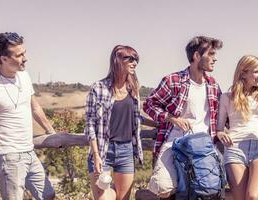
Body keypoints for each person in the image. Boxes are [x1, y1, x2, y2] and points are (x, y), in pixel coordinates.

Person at [0, 32, 56, 200]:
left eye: (24, 52)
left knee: (49, 195)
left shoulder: (24, 76)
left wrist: (53, 133)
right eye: (19, 55)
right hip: (8, 157)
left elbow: (35, 108)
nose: (25, 58)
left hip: (29, 152)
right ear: (3, 58)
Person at [143, 36, 223, 197]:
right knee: (162, 187)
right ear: (197, 56)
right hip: (174, 143)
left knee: (208, 189)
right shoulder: (173, 80)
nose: (215, 58)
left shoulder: (213, 85)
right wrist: (171, 118)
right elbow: (149, 104)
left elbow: (224, 116)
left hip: (204, 147)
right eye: (211, 54)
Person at [85, 45, 147, 200]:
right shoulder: (98, 88)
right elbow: (90, 124)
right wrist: (96, 155)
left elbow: (136, 117)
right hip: (103, 151)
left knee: (123, 198)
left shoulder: (133, 89)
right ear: (117, 60)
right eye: (130, 59)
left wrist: (163, 122)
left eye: (136, 60)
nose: (135, 63)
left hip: (126, 150)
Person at [217, 55, 258, 200]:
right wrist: (220, 134)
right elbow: (219, 128)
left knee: (254, 196)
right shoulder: (227, 97)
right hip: (235, 149)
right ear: (243, 73)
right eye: (256, 71)